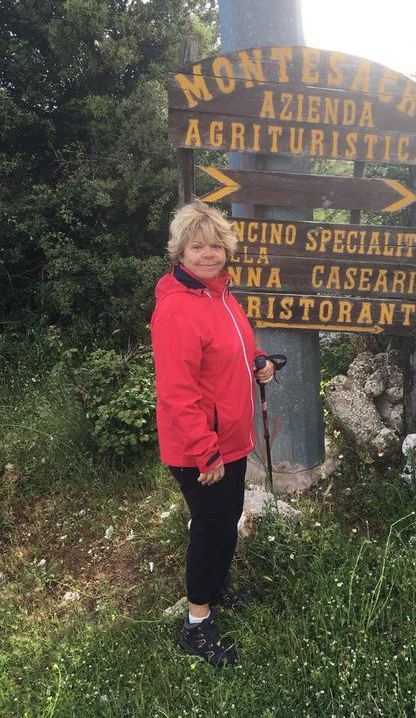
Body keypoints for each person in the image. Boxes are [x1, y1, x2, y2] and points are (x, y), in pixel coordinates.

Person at [151, 200, 274, 666]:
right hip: (201, 448)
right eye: (197, 246)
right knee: (212, 528)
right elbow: (177, 392)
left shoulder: (220, 295)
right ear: (180, 252)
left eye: (216, 245)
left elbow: (234, 348)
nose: (208, 254)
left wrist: (258, 361)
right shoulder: (178, 310)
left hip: (229, 438)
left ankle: (217, 588)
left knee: (226, 520)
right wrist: (206, 453)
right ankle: (196, 623)